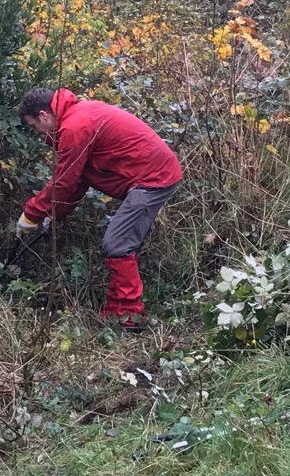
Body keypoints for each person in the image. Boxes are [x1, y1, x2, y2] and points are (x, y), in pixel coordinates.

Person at [16, 87, 183, 330]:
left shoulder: (75, 127)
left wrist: (31, 214)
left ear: (43, 115)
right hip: (149, 175)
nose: (36, 132)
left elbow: (63, 181)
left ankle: (129, 317)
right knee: (120, 244)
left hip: (153, 179)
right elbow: (80, 179)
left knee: (117, 244)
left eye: (33, 126)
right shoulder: (77, 117)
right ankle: (116, 311)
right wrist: (55, 213)